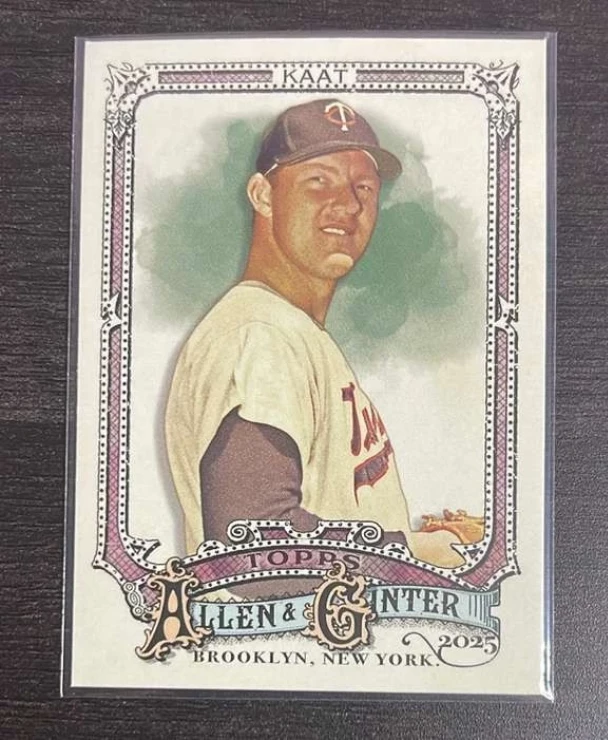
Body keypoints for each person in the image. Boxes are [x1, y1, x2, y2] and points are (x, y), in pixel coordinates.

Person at [165, 99, 463, 579]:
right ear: (263, 195)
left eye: (363, 187)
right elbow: (252, 549)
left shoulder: (293, 331)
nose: (348, 205)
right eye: (319, 181)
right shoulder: (261, 334)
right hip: (286, 627)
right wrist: (414, 553)